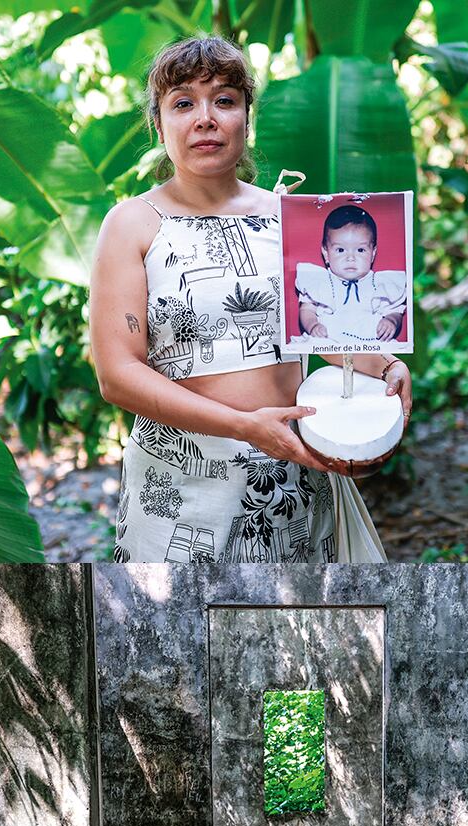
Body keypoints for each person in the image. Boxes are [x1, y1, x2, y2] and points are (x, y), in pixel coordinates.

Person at [88, 36, 410, 564]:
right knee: (182, 643)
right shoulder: (132, 224)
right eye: (184, 103)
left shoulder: (293, 217)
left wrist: (387, 365)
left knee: (296, 639)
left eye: (224, 100)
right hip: (180, 493)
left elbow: (324, 328)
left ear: (246, 115)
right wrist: (244, 427)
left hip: (292, 479)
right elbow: (118, 374)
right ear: (160, 122)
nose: (205, 118)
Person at [294, 204, 409, 343]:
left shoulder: (380, 284)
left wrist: (391, 321)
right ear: (326, 253)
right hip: (328, 343)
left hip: (371, 344)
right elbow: (307, 310)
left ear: (373, 253)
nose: (350, 257)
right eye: (341, 250)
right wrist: (313, 326)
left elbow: (394, 311)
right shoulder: (319, 281)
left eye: (360, 250)